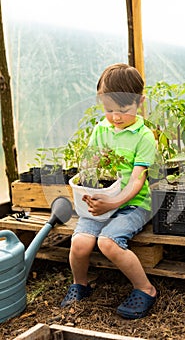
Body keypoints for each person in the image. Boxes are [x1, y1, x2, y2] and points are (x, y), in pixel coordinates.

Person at [61, 63, 157, 319]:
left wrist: (113, 204)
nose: (115, 117)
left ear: (140, 102)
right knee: (80, 243)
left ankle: (145, 288)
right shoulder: (101, 129)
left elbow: (137, 182)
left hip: (133, 204)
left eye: (123, 110)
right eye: (108, 109)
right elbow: (90, 167)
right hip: (102, 201)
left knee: (108, 242)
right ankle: (80, 284)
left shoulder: (144, 136)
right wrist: (87, 186)